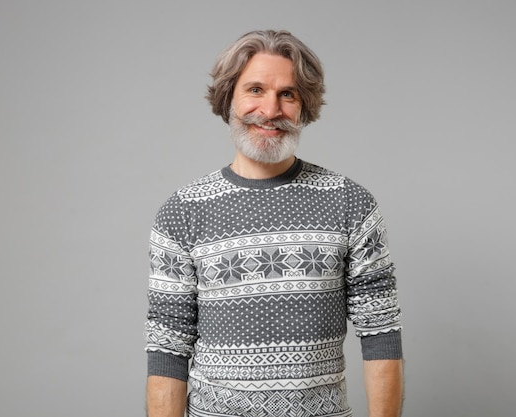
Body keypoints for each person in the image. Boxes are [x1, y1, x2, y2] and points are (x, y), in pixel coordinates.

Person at [145, 29, 404, 417]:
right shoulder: (183, 211)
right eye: (255, 90)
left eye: (288, 94)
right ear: (228, 97)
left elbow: (381, 333)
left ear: (304, 106)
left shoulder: (349, 202)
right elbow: (168, 344)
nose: (270, 111)